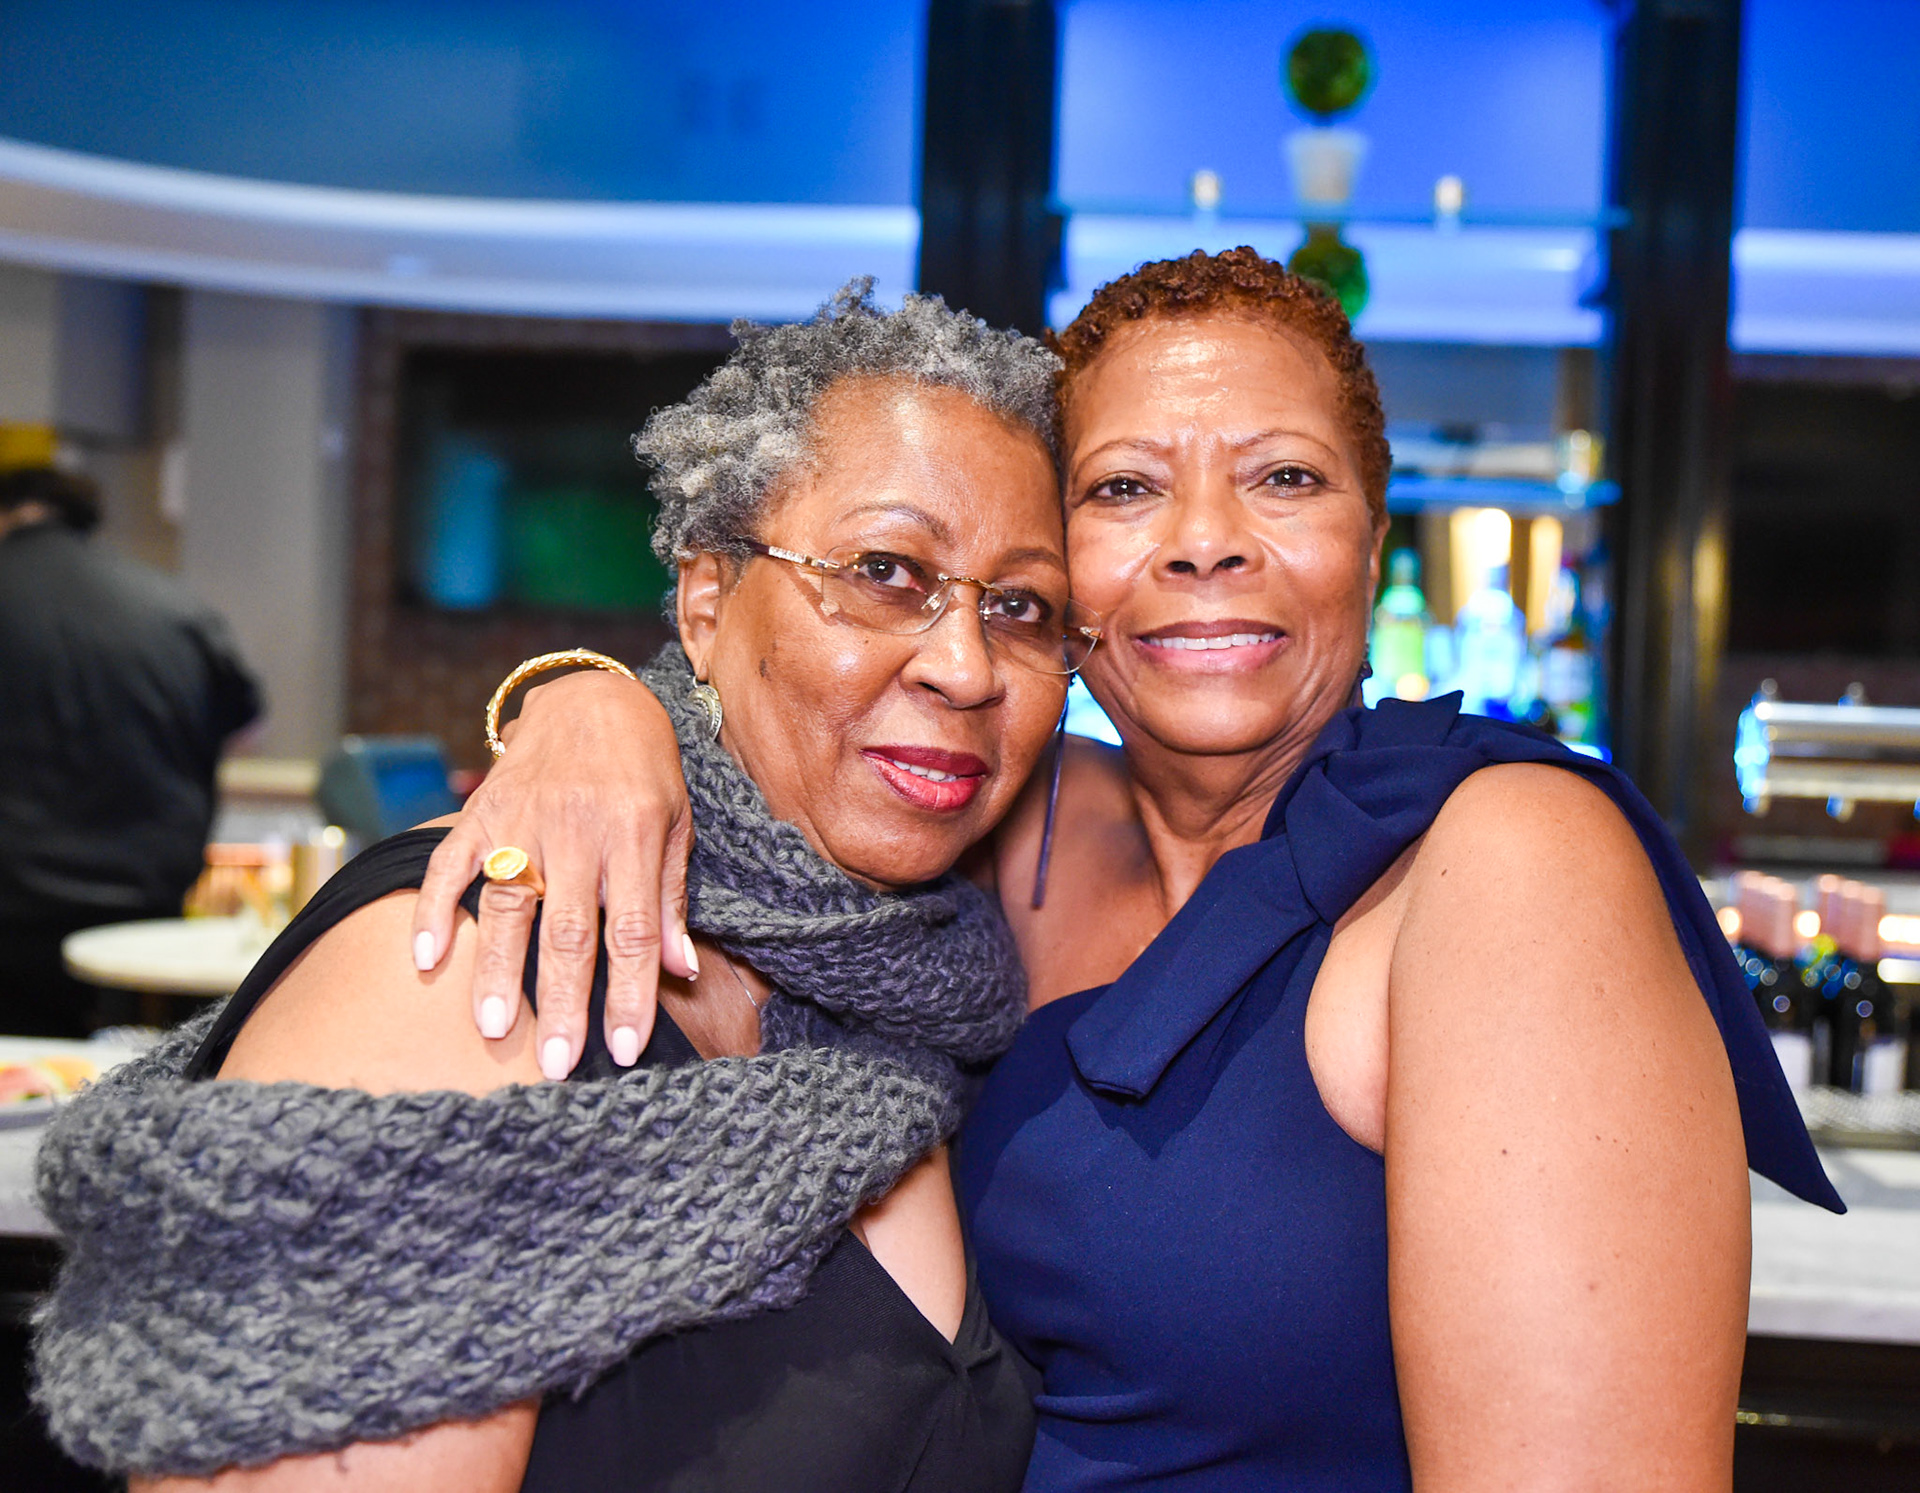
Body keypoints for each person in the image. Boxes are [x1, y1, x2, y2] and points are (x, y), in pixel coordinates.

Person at [417, 249, 1842, 1491]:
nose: (1206, 541)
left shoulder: (1510, 859)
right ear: (1055, 573)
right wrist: (591, 706)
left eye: (1285, 478)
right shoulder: (994, 818)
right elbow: (783, 700)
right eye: (1125, 487)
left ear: (1370, 543)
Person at [34, 286, 1077, 1492]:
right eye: (885, 569)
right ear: (706, 601)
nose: (966, 664)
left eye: (1020, 605)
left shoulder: (928, 989)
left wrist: (587, 690)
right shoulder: (466, 958)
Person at [0, 464, 260, 1036]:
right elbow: (245, 728)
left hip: (11, 904)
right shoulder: (174, 607)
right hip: (144, 903)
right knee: (137, 1064)